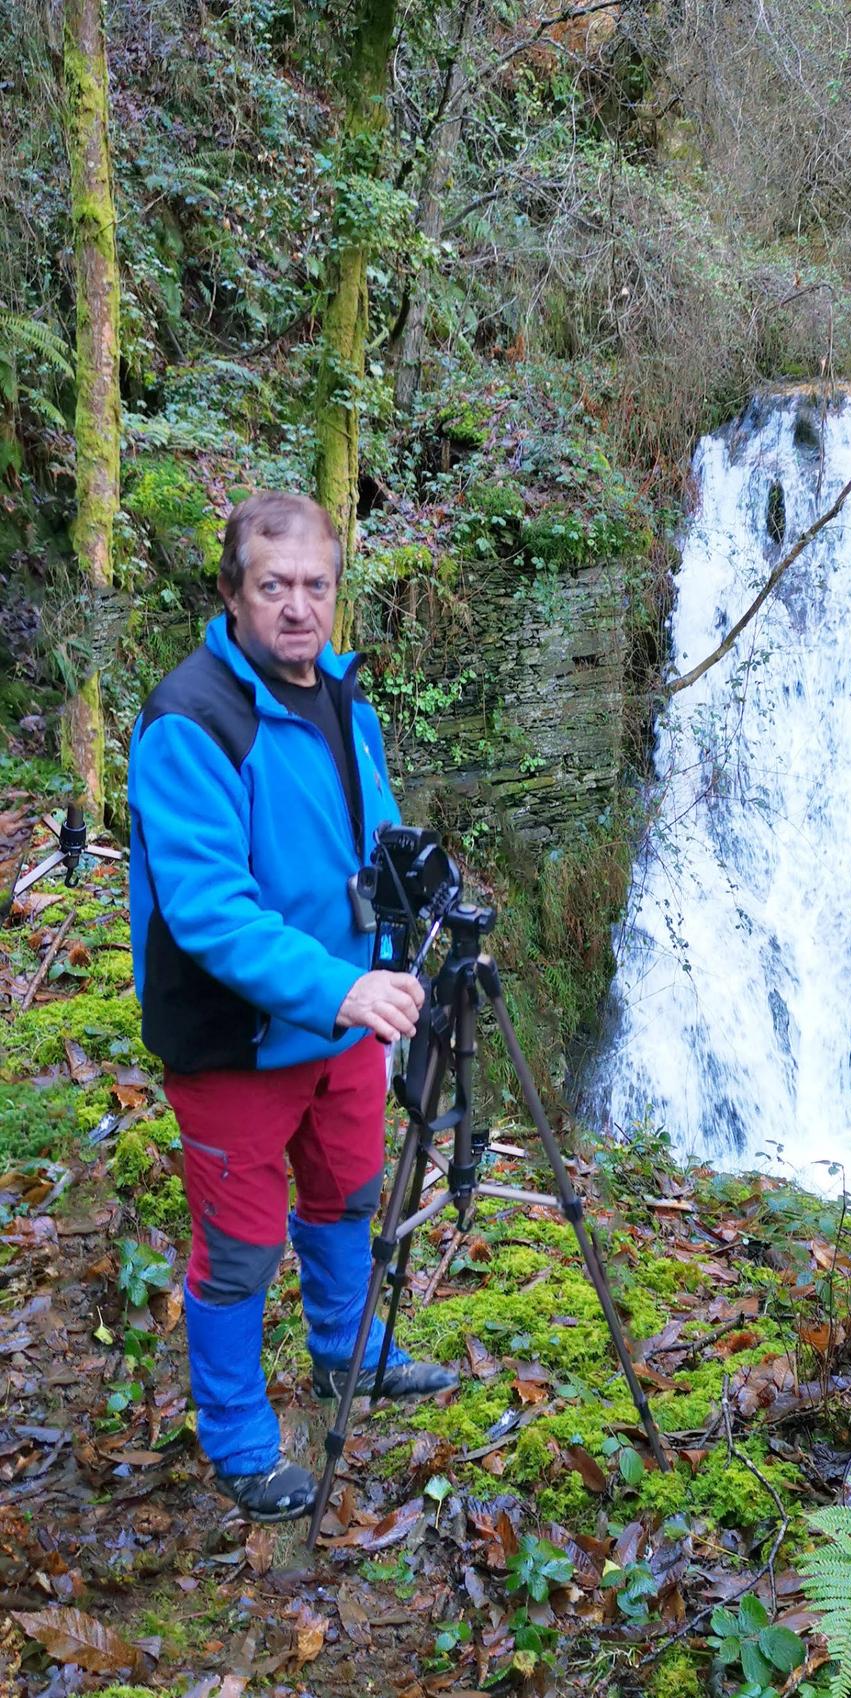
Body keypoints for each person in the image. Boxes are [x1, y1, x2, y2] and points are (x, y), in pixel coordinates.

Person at [128, 491, 457, 1522]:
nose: (298, 607)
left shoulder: (343, 701)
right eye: (274, 587)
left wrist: (411, 931)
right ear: (233, 593)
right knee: (237, 1249)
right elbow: (211, 914)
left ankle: (347, 1355)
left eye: (316, 586)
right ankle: (236, 1441)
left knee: (346, 1195)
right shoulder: (191, 721)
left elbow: (376, 846)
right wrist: (342, 986)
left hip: (346, 1019)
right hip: (237, 1040)